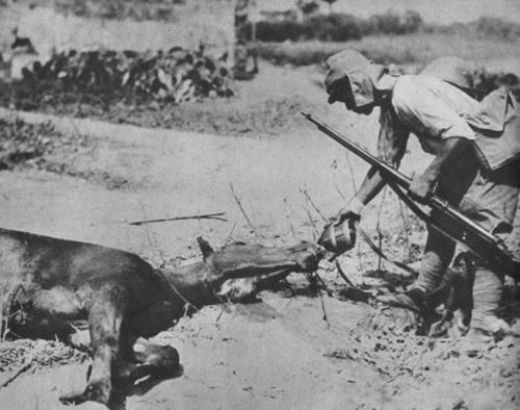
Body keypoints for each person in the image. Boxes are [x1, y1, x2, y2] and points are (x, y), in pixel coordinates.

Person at [323, 50, 520, 353]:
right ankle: (422, 292)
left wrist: (429, 175)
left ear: (356, 83)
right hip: (467, 161)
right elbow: (386, 163)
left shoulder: (406, 94)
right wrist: (355, 206)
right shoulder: (392, 103)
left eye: (342, 95)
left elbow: (460, 134)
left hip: (493, 161)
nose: (345, 105)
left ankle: (483, 327)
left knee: (484, 243)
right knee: (441, 224)